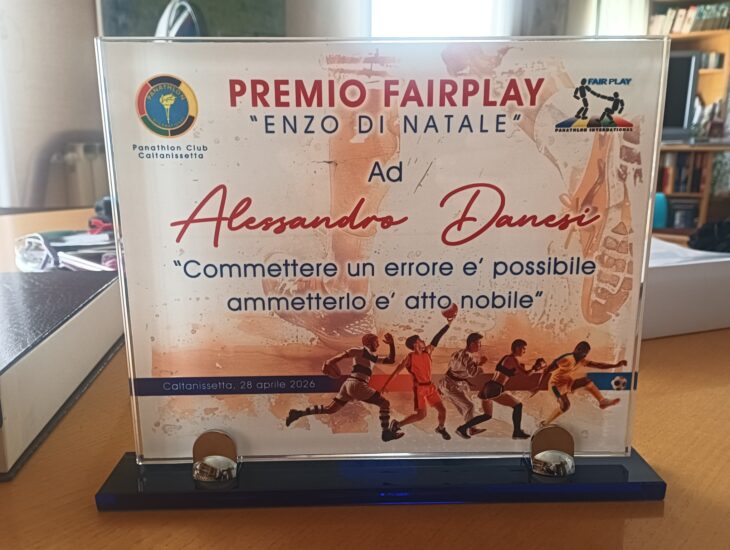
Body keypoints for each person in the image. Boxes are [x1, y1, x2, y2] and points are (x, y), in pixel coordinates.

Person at [285, 332, 403, 442]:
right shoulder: (361, 350)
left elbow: (390, 360)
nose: (378, 344)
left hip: (349, 384)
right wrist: (330, 362)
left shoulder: (372, 356)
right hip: (358, 384)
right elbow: (347, 353)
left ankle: (298, 413)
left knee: (330, 409)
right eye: (376, 342)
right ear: (369, 342)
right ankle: (386, 433)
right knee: (384, 403)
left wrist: (391, 344)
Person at [455, 339, 544, 439]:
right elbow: (526, 374)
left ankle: (462, 428)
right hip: (495, 388)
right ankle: (517, 432)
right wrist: (536, 367)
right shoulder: (512, 359)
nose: (524, 351)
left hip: (488, 387)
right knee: (518, 406)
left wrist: (529, 368)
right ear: (517, 348)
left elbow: (511, 373)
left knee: (487, 415)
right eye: (523, 348)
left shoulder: (506, 358)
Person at [382, 317, 454, 440]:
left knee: (442, 410)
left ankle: (441, 428)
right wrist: (386, 385)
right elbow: (396, 372)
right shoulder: (409, 358)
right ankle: (397, 425)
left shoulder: (428, 351)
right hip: (419, 389)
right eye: (420, 340)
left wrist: (448, 324)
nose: (423, 341)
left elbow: (437, 337)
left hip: (430, 386)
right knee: (421, 415)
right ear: (415, 344)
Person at [541, 340, 627, 426]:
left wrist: (615, 365)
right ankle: (545, 423)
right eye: (583, 352)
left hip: (567, 382)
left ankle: (602, 401)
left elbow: (598, 365)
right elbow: (548, 369)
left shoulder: (582, 361)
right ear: (577, 349)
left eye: (586, 353)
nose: (585, 355)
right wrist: (539, 384)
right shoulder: (567, 358)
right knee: (565, 406)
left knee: (586, 381)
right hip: (555, 385)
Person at [437, 332, 489, 436]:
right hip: (451, 386)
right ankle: (468, 429)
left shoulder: (458, 352)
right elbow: (472, 373)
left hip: (446, 384)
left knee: (464, 408)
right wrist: (480, 364)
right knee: (469, 406)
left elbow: (453, 370)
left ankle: (471, 428)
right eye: (479, 343)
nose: (480, 345)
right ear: (472, 344)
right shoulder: (468, 356)